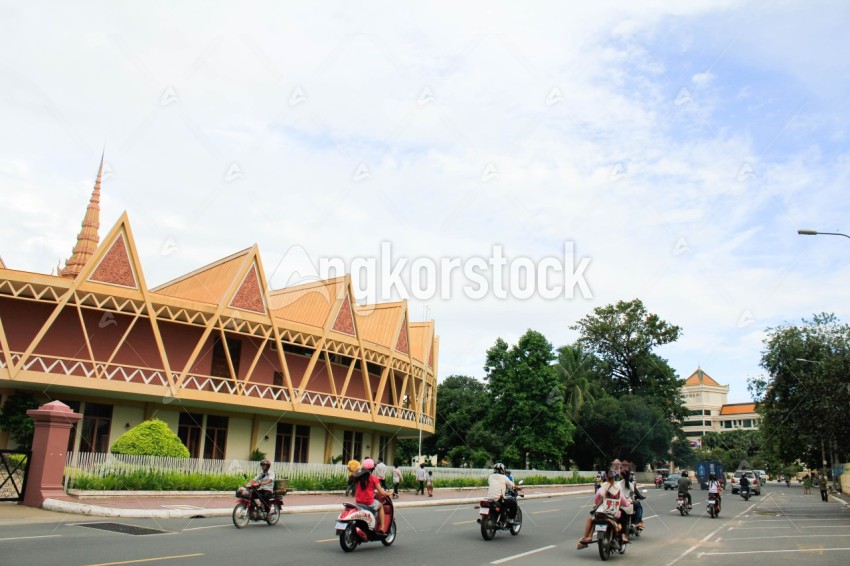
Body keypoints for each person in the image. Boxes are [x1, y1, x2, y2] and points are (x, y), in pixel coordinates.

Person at [577, 470, 633, 549]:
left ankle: (586, 537)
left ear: (606, 477)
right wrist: (629, 503)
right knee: (624, 517)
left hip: (602, 511)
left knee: (592, 518)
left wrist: (596, 505)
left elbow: (597, 498)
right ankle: (622, 536)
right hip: (614, 512)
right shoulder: (618, 487)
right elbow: (624, 502)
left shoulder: (603, 486)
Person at [354, 458, 392, 534]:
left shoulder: (358, 478)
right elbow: (382, 492)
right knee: (380, 506)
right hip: (369, 502)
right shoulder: (374, 478)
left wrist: (373, 492)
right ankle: (382, 527)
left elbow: (364, 489)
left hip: (358, 502)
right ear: (372, 469)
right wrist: (390, 493)